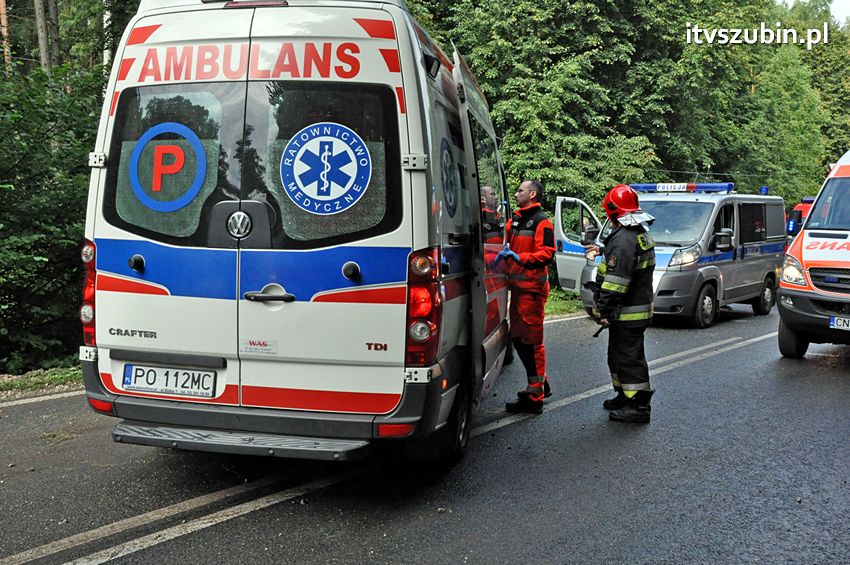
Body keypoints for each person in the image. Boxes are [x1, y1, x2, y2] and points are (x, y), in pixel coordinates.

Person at [592, 184, 656, 423]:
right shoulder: (638, 232)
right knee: (618, 355)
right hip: (631, 309)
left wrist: (604, 308)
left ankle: (638, 406)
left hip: (627, 311)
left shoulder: (624, 239)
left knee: (629, 357)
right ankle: (624, 396)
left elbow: (616, 281)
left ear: (612, 210)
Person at [497, 180, 556, 414]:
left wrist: (521, 258)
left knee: (531, 343)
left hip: (531, 293)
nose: (516, 193)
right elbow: (501, 239)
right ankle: (541, 383)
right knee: (519, 339)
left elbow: (547, 254)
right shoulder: (517, 219)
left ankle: (535, 396)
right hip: (519, 292)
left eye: (520, 190)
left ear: (532, 194)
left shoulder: (543, 222)